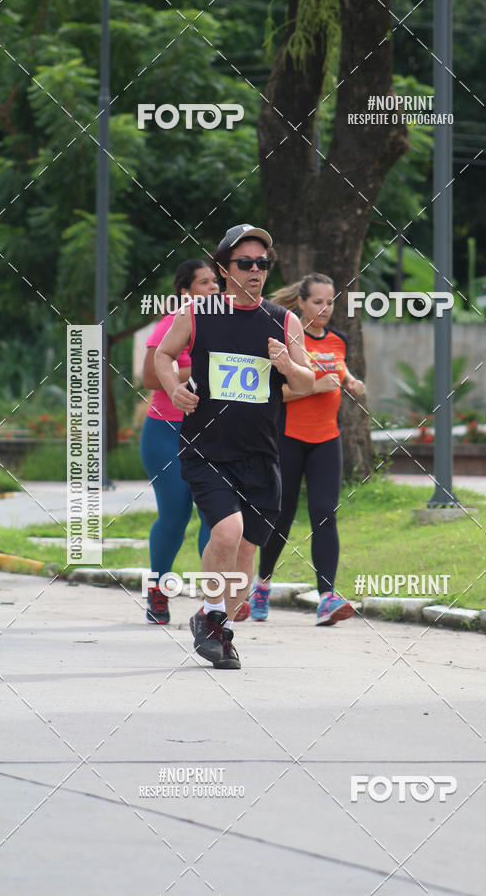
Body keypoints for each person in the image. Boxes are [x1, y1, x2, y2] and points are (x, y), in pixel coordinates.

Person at [154, 224, 315, 668]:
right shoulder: (198, 312)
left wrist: (287, 364)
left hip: (261, 453)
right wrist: (173, 388)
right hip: (207, 447)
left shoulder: (284, 321)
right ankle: (211, 617)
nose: (255, 270)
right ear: (225, 268)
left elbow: (306, 382)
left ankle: (215, 623)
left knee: (247, 551)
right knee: (226, 531)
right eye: (245, 263)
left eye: (263, 263)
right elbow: (162, 355)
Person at [249, 273, 365, 626]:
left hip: (327, 438)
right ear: (300, 302)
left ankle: (327, 597)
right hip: (288, 437)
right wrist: (316, 387)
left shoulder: (339, 339)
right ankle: (262, 584)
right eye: (317, 302)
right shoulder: (285, 340)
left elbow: (338, 369)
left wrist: (351, 381)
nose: (325, 308)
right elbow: (273, 393)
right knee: (281, 516)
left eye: (330, 302)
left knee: (324, 513)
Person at [140, 259, 216, 624]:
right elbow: (149, 377)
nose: (213, 287)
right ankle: (157, 589)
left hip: (211, 434)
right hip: (165, 432)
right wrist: (200, 367)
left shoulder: (224, 325)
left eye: (215, 281)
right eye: (204, 282)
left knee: (215, 515)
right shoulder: (171, 323)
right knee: (175, 514)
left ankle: (214, 600)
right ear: (186, 292)